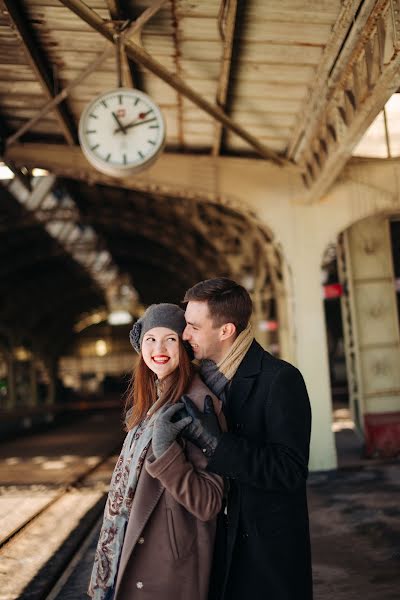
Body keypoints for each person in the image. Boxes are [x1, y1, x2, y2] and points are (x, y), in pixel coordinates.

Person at [180, 278, 313, 600]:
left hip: (264, 551)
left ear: (225, 331)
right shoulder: (196, 381)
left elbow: (290, 470)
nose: (185, 335)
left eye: (194, 327)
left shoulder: (279, 379)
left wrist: (216, 443)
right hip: (213, 542)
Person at [88, 303, 225, 600]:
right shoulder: (152, 401)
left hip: (166, 564)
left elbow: (209, 502)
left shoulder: (199, 404)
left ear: (184, 346)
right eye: (150, 339)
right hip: (130, 550)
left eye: (170, 339)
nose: (158, 348)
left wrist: (165, 452)